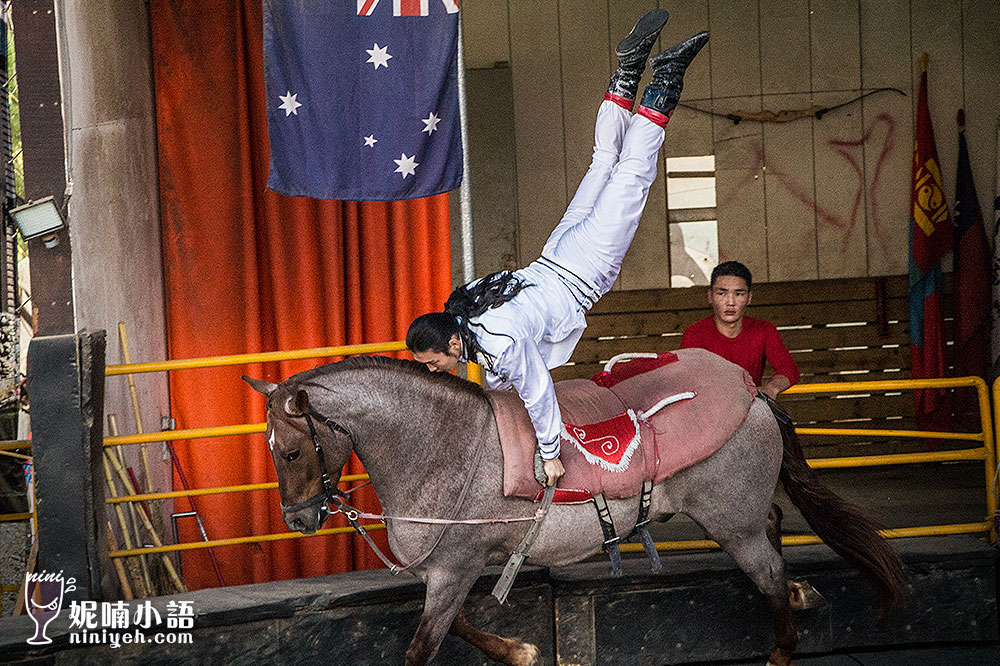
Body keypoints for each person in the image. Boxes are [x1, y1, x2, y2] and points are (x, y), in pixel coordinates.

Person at [407, 10, 709, 486]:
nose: (437, 370)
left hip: (583, 267)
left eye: (433, 362)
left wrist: (549, 454)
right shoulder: (471, 312)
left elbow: (538, 392)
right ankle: (628, 71)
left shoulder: (498, 344)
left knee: (632, 173)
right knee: (604, 163)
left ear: (449, 343)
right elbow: (501, 375)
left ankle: (666, 77)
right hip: (557, 250)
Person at [680, 261, 800, 399]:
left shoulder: (763, 330)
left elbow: (789, 368)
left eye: (739, 294)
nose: (730, 302)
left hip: (751, 407)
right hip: (710, 408)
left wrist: (771, 389)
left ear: (749, 298)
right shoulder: (695, 333)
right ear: (710, 296)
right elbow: (686, 378)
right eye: (722, 293)